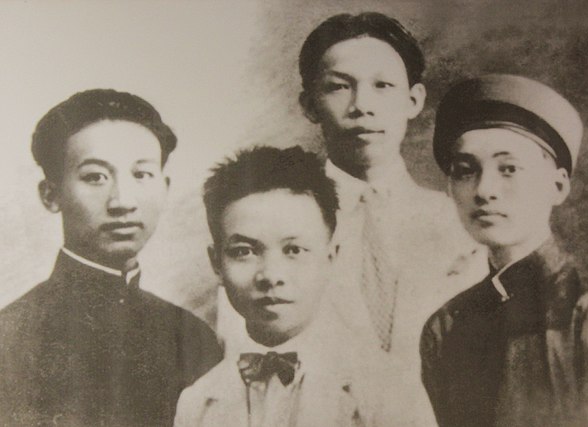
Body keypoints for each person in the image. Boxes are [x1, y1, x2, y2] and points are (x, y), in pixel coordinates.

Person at [0, 89, 222, 426]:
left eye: (141, 174)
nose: (122, 201)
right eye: (95, 177)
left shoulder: (192, 337)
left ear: (165, 187)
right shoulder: (10, 340)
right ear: (51, 194)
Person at [175, 146, 411, 427]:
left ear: (330, 256)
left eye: (294, 250)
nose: (271, 275)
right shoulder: (197, 402)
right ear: (216, 263)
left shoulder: (387, 389)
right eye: (243, 251)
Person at [420, 74, 588, 426]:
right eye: (465, 170)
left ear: (558, 185)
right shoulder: (446, 327)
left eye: (509, 169)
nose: (484, 190)